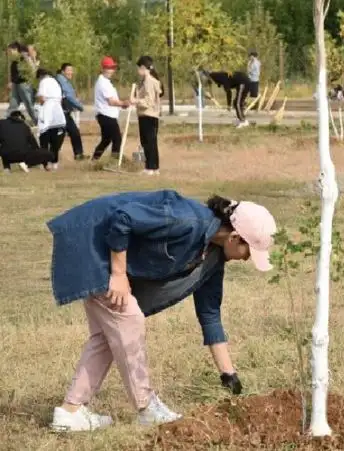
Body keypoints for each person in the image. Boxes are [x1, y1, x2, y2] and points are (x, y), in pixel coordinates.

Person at [47, 190, 278, 432]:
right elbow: (122, 218)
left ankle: (70, 411)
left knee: (108, 334)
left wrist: (228, 374)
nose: (246, 260)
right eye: (249, 253)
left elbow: (210, 313)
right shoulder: (186, 220)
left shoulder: (211, 256)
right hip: (92, 245)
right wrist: (118, 274)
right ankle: (146, 407)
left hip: (104, 251)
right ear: (234, 237)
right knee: (129, 319)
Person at [92, 56, 130, 161]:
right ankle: (113, 161)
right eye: (108, 68)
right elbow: (111, 101)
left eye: (112, 68)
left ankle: (95, 159)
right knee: (117, 139)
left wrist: (122, 103)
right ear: (103, 68)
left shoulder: (106, 81)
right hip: (106, 115)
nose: (110, 70)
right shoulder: (103, 82)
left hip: (106, 114)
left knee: (106, 139)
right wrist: (123, 104)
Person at [132, 56, 163, 175]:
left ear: (143, 68)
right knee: (147, 141)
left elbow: (149, 101)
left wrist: (136, 101)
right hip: (145, 115)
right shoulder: (145, 81)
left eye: (138, 68)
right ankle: (152, 167)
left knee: (149, 142)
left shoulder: (149, 81)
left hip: (149, 115)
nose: (137, 71)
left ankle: (151, 167)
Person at [35, 68, 67, 170]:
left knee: (44, 137)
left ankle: (44, 163)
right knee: (55, 138)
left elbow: (42, 98)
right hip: (57, 111)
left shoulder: (43, 82)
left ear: (40, 76)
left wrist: (40, 105)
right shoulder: (56, 82)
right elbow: (61, 98)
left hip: (48, 109)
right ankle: (55, 162)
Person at [56, 63, 86, 161]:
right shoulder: (62, 80)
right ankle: (51, 154)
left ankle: (78, 154)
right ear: (63, 71)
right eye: (68, 70)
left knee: (72, 133)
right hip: (61, 112)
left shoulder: (64, 80)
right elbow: (68, 96)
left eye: (71, 70)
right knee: (65, 134)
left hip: (64, 112)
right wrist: (79, 106)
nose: (71, 72)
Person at [6, 42, 37, 123]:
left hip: (24, 84)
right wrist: (10, 81)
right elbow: (11, 71)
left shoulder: (24, 57)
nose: (9, 53)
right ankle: (8, 122)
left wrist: (30, 81)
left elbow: (32, 70)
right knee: (13, 104)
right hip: (15, 84)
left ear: (16, 49)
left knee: (29, 105)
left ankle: (38, 121)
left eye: (10, 51)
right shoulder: (14, 59)